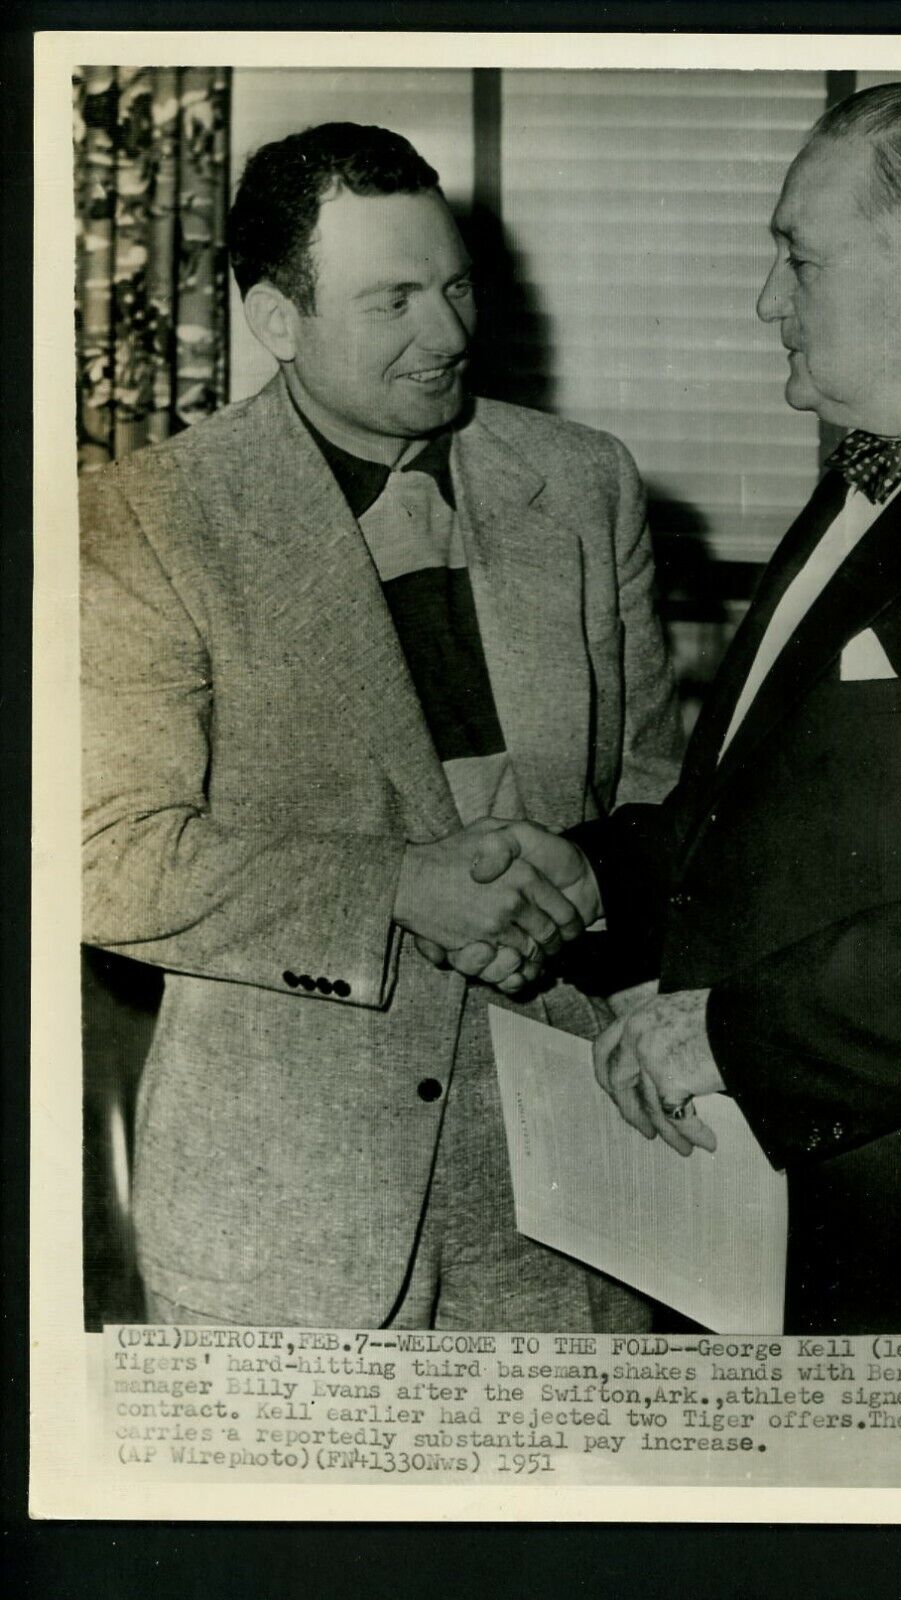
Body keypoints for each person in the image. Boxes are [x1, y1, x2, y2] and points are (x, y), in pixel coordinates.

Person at [473, 81, 901, 1333]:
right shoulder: (874, 466)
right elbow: (779, 809)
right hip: (786, 1225)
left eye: (800, 258)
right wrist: (584, 876)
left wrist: (728, 1037)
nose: (766, 301)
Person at [80, 122, 682, 1330]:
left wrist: (580, 905)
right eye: (394, 300)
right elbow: (106, 860)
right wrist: (400, 888)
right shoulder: (145, 516)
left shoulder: (584, 479)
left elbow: (657, 788)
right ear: (276, 320)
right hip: (289, 1217)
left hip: (573, 1205)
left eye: (455, 284)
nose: (451, 333)